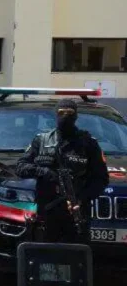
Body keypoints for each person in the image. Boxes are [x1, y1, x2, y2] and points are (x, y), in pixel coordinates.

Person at [15, 99, 108, 243]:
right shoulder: (42, 141)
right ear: (56, 115)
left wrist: (82, 198)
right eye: (61, 112)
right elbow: (20, 167)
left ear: (76, 116)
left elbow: (101, 179)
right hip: (47, 214)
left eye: (69, 113)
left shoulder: (88, 143)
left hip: (76, 214)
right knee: (46, 253)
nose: (65, 116)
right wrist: (43, 171)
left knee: (76, 253)